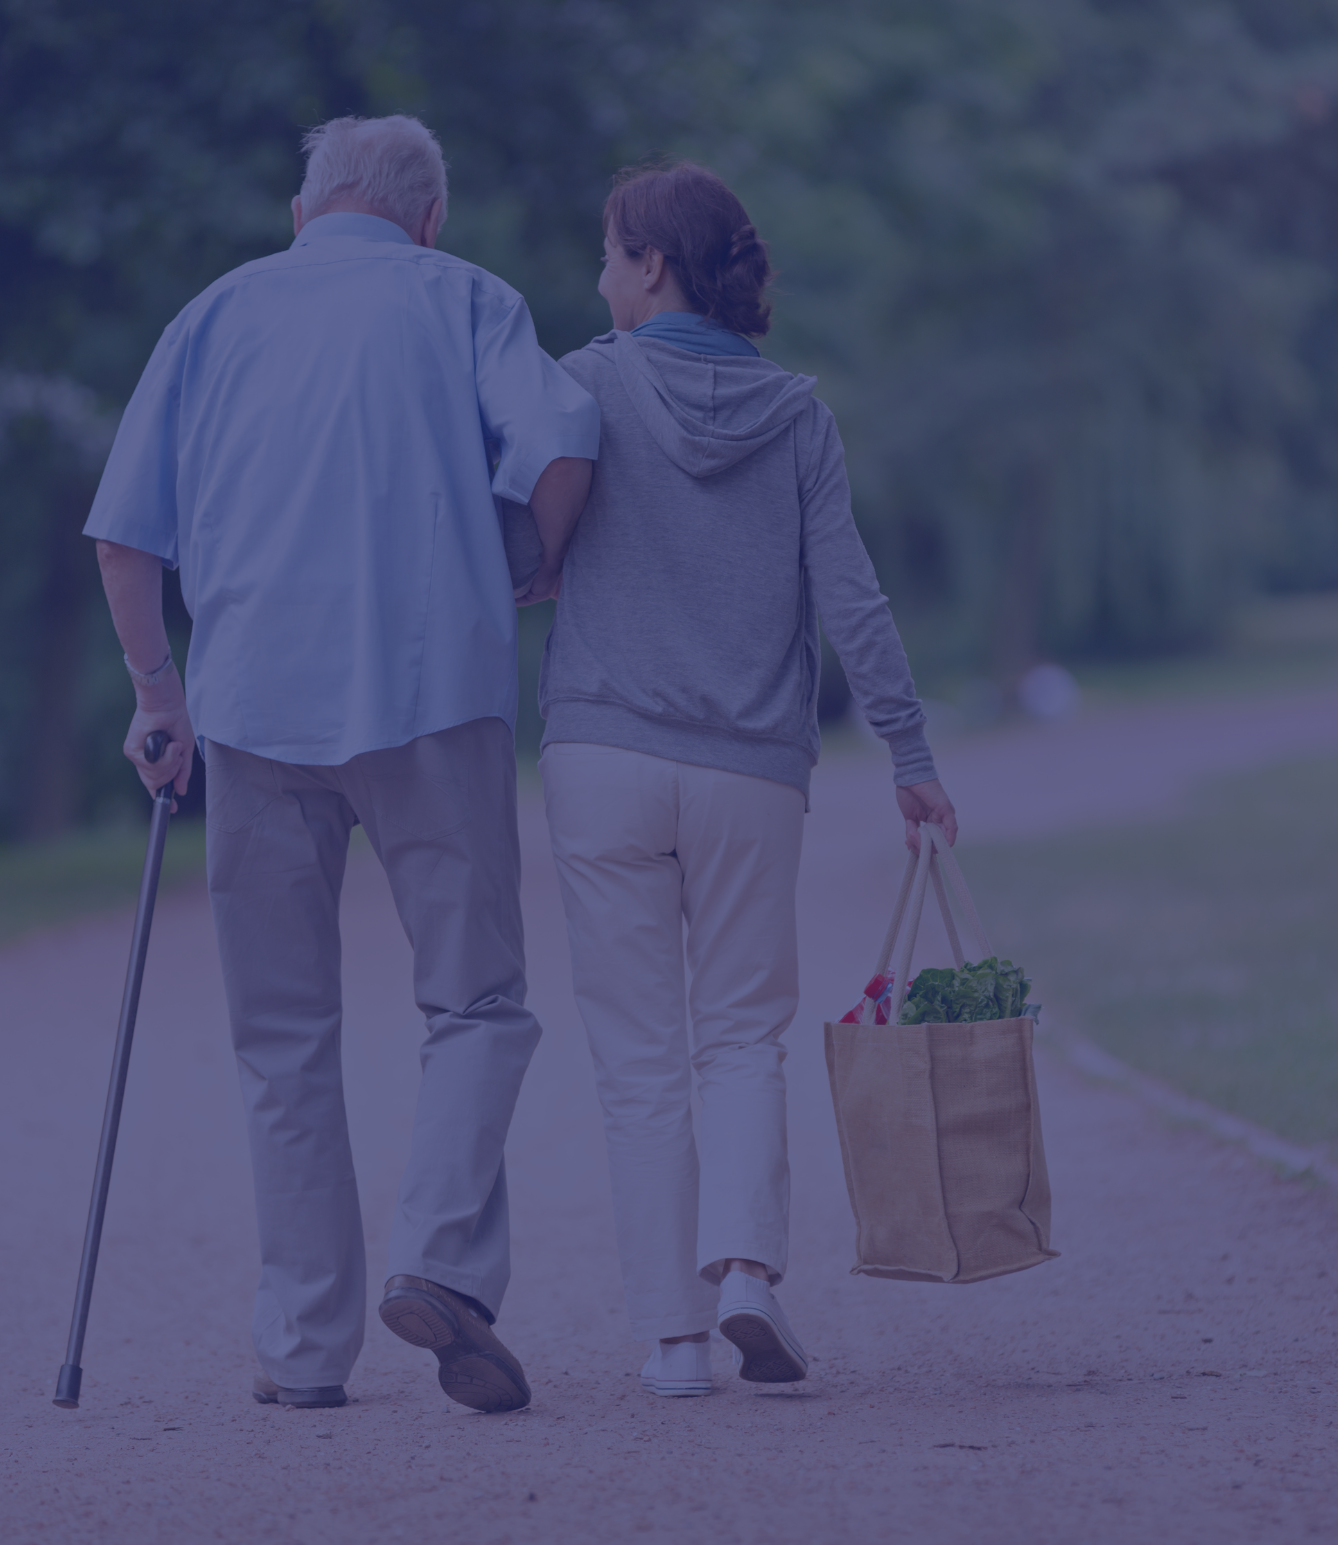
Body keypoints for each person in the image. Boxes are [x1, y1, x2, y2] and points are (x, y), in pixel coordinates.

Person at [84, 115, 599, 1415]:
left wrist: (160, 694)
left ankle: (305, 1348)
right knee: (476, 1004)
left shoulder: (214, 314)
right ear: (426, 217)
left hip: (255, 707)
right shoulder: (468, 299)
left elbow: (125, 541)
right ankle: (439, 1261)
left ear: (306, 209)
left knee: (282, 1038)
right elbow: (564, 444)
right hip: (434, 694)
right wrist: (529, 565)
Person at [535, 162, 956, 1397]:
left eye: (610, 254)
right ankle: (747, 1278)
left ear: (652, 267)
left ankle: (669, 1340)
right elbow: (853, 604)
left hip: (603, 755)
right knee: (736, 1038)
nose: (599, 276)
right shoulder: (797, 417)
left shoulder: (584, 385)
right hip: (748, 774)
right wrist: (910, 756)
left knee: (635, 1055)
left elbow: (523, 540)